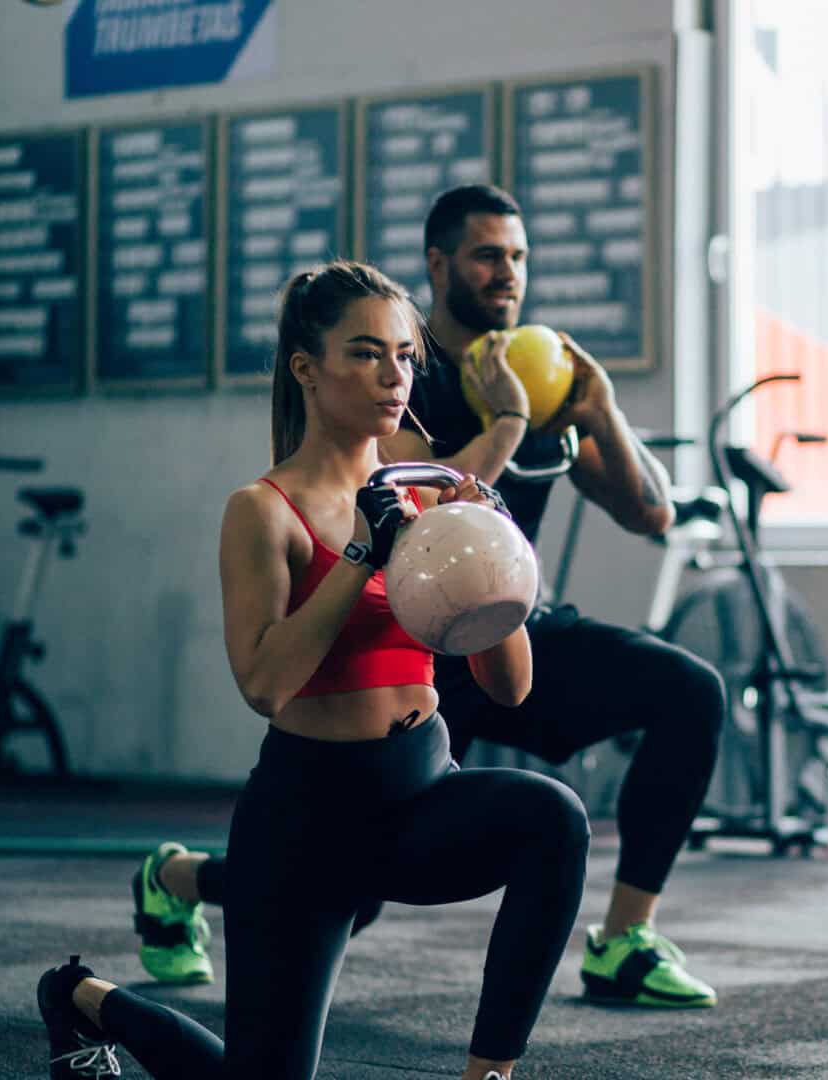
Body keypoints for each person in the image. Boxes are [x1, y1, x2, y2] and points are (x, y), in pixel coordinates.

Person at [135, 185, 724, 1010]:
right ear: (441, 263)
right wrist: (511, 423)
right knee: (354, 885)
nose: (506, 274)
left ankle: (624, 938)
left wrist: (602, 411)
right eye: (488, 255)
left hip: (496, 623)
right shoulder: (413, 393)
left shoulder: (533, 373)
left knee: (686, 691)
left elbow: (649, 511)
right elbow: (419, 496)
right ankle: (183, 880)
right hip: (407, 631)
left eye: (518, 256)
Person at [38, 260, 589, 1080]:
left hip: (418, 790)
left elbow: (512, 687)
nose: (393, 376)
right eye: (367, 354)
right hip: (306, 821)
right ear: (307, 368)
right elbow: (263, 681)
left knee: (554, 819)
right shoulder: (262, 511)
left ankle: (491, 1076)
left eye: (405, 356)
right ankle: (80, 995)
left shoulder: (433, 495)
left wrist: (495, 553)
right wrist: (362, 553)